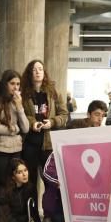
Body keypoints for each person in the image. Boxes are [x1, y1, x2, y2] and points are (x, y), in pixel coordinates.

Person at [21, 59, 68, 189]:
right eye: (34, 69)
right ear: (29, 73)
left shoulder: (53, 92)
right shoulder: (24, 93)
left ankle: (49, 209)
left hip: (48, 144)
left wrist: (52, 122)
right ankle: (32, 209)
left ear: (44, 72)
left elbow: (64, 115)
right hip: (30, 142)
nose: (38, 72)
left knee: (51, 181)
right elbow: (21, 114)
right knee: (29, 182)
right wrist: (32, 123)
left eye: (40, 69)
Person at [0, 69, 30, 193]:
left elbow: (26, 127)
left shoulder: (17, 101)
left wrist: (20, 107)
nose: (15, 87)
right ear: (5, 83)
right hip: (0, 149)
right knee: (2, 185)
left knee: (15, 185)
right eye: (12, 84)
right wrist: (15, 129)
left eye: (18, 84)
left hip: (16, 150)